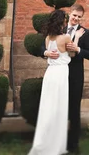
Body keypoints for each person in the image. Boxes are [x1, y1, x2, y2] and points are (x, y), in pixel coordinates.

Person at [29, 9, 85, 155]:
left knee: (48, 108)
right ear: (62, 22)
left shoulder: (48, 38)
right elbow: (72, 53)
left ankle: (44, 142)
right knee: (58, 109)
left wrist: (46, 52)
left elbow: (47, 48)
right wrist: (77, 38)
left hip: (50, 74)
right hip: (60, 74)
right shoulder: (66, 37)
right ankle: (55, 145)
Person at [43, 4, 89, 154]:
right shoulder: (59, 29)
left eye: (79, 17)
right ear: (69, 14)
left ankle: (73, 142)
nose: (76, 19)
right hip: (59, 74)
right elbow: (42, 45)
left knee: (74, 108)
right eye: (74, 15)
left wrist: (77, 49)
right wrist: (46, 52)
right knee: (58, 108)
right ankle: (58, 140)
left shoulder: (85, 33)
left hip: (75, 76)